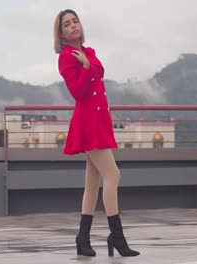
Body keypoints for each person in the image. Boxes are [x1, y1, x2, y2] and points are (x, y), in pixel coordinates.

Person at [53, 9, 140, 257]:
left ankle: (83, 238)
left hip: (99, 120)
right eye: (67, 24)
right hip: (88, 122)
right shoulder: (66, 57)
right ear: (60, 33)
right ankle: (116, 236)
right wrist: (87, 67)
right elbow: (78, 91)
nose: (73, 26)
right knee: (113, 175)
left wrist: (89, 64)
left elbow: (99, 71)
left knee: (92, 184)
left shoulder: (88, 52)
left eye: (75, 21)